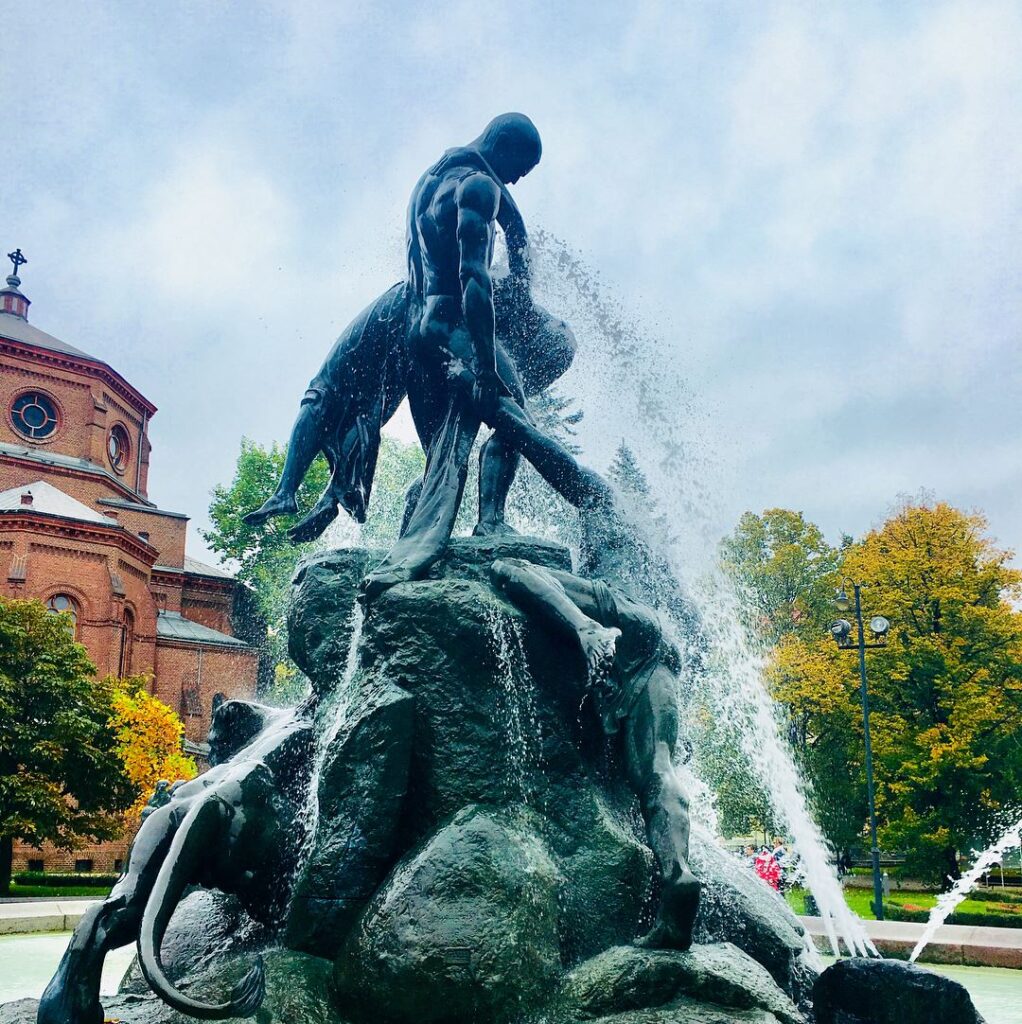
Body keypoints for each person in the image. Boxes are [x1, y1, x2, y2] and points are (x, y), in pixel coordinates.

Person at [359, 113, 613, 600]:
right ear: (507, 148)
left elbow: (456, 259)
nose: (518, 178)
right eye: (521, 167)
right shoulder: (478, 188)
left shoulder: (435, 179)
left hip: (421, 331)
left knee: (442, 454)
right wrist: (487, 364)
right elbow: (474, 279)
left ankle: (419, 537)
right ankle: (490, 522)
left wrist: (518, 247)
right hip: (457, 328)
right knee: (511, 412)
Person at [490, 556, 700, 950]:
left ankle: (587, 630)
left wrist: (585, 628)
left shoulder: (586, 583)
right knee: (658, 767)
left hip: (619, 619)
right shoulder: (632, 550)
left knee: (505, 567)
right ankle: (677, 876)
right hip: (658, 647)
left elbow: (518, 571)